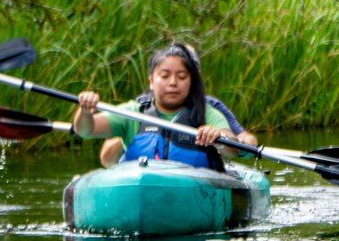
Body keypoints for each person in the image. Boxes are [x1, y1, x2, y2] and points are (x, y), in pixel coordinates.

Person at [73, 41, 250, 171]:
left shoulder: (207, 112)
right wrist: (85, 112)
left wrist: (219, 137)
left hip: (193, 194)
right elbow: (85, 130)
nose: (173, 83)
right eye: (164, 76)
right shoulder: (134, 112)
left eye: (181, 77)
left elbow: (232, 149)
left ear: (191, 82)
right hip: (141, 191)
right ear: (151, 81)